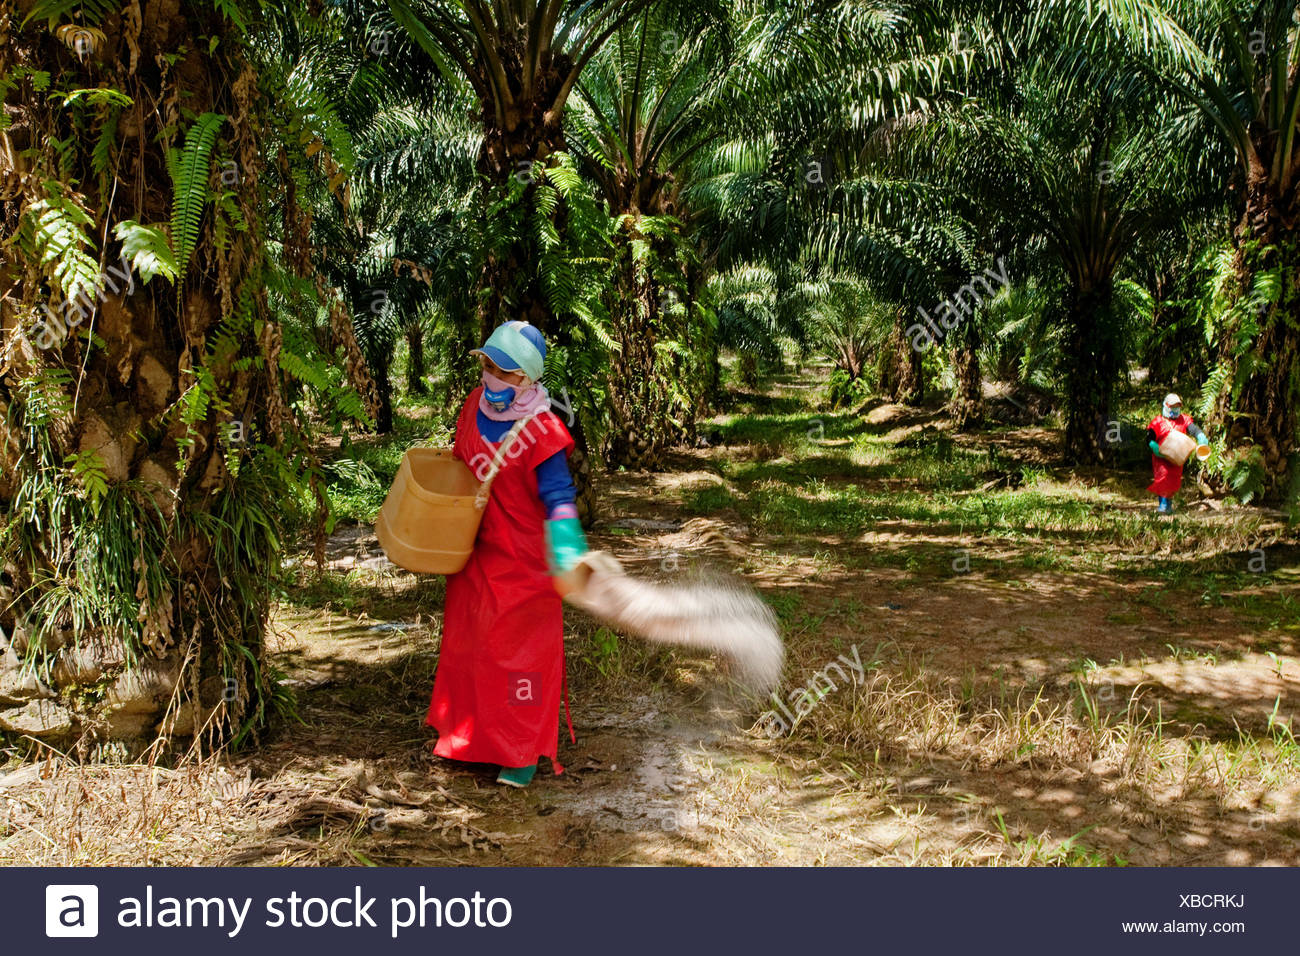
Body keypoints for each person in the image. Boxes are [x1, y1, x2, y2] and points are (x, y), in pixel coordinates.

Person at [426, 321, 589, 787]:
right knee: (470, 647)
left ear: (530, 379)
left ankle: (521, 752)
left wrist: (566, 545)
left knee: (518, 659)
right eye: (488, 365)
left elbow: (559, 493)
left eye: (506, 372)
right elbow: (460, 464)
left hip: (523, 562)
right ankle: (469, 737)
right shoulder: (474, 405)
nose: (493, 378)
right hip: (473, 551)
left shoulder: (542, 428)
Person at [1145, 392, 1208, 514]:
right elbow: (1149, 437)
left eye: (1177, 407)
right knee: (1163, 478)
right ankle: (1163, 506)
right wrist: (1154, 446)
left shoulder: (1183, 420)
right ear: (1166, 406)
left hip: (1177, 457)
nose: (1175, 409)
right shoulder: (1158, 422)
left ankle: (1168, 506)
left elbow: (1193, 429)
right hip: (1161, 457)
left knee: (1173, 481)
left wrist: (1200, 436)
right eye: (1173, 407)